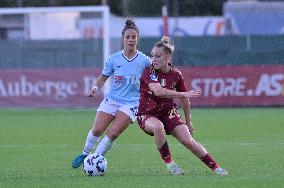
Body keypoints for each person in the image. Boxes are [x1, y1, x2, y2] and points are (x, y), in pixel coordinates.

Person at [137, 36, 228, 176]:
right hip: (148, 113)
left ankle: (216, 168)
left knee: (188, 141)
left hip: (168, 112)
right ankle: (170, 164)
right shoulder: (149, 71)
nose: (153, 59)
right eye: (152, 55)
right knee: (158, 127)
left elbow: (185, 100)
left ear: (168, 56)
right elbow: (159, 91)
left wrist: (188, 121)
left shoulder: (176, 75)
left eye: (158, 56)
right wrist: (183, 93)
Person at [72, 19, 151, 169]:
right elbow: (103, 78)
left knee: (114, 133)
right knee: (97, 130)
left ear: (137, 39)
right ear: (123, 39)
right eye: (128, 37)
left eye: (134, 37)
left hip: (132, 103)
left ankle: (95, 160)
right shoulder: (113, 59)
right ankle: (85, 153)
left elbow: (152, 80)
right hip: (112, 99)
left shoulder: (145, 61)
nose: (131, 40)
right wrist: (95, 88)